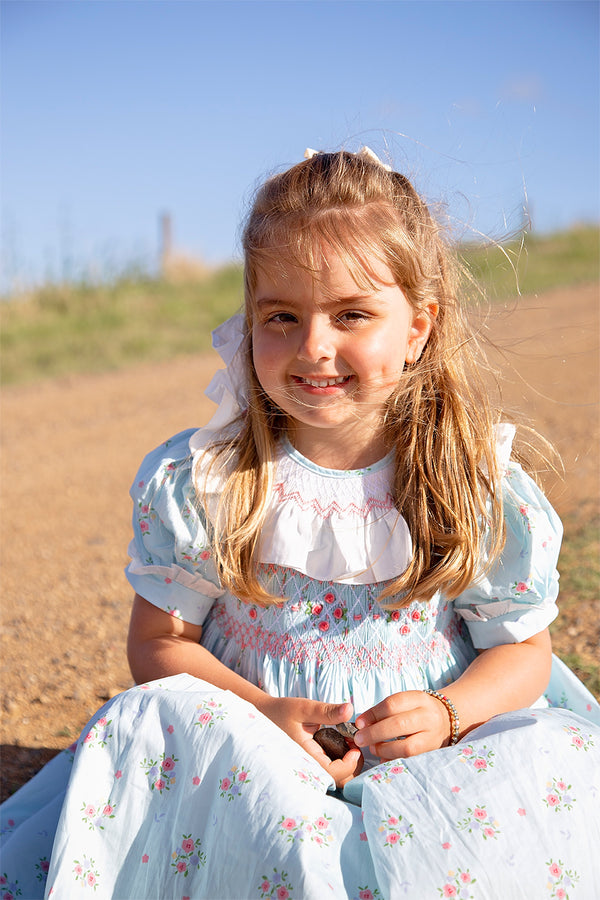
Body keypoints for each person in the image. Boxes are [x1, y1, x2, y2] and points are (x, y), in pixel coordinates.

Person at [2, 148, 599, 899]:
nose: (314, 346)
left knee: (533, 780)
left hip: (430, 762)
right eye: (281, 317)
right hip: (255, 751)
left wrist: (449, 713)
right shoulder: (213, 483)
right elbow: (159, 645)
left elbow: (524, 655)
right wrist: (261, 712)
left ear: (418, 326)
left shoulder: (468, 484)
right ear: (248, 321)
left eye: (352, 314)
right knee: (156, 723)